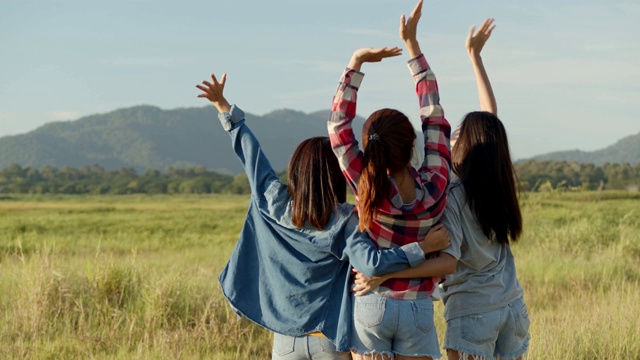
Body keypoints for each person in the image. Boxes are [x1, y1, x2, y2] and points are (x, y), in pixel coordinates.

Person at [195, 71, 451, 359]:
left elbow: (252, 156)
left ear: (294, 171)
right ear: (336, 177)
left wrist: (225, 109)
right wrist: (423, 248)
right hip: (329, 339)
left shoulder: (274, 202)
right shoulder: (346, 220)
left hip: (286, 341)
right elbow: (372, 263)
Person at [353, 19, 531, 360]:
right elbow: (489, 120)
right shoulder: (497, 184)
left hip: (472, 314)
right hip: (512, 307)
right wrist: (474, 57)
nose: (449, 137)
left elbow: (447, 263)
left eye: (456, 134)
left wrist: (383, 274)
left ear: (464, 148)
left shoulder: (450, 191)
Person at [327, 1, 452, 358]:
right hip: (418, 306)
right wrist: (412, 46)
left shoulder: (365, 187)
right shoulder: (436, 184)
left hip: (371, 303)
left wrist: (356, 63)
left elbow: (337, 127)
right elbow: (434, 115)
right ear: (413, 144)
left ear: (368, 150)